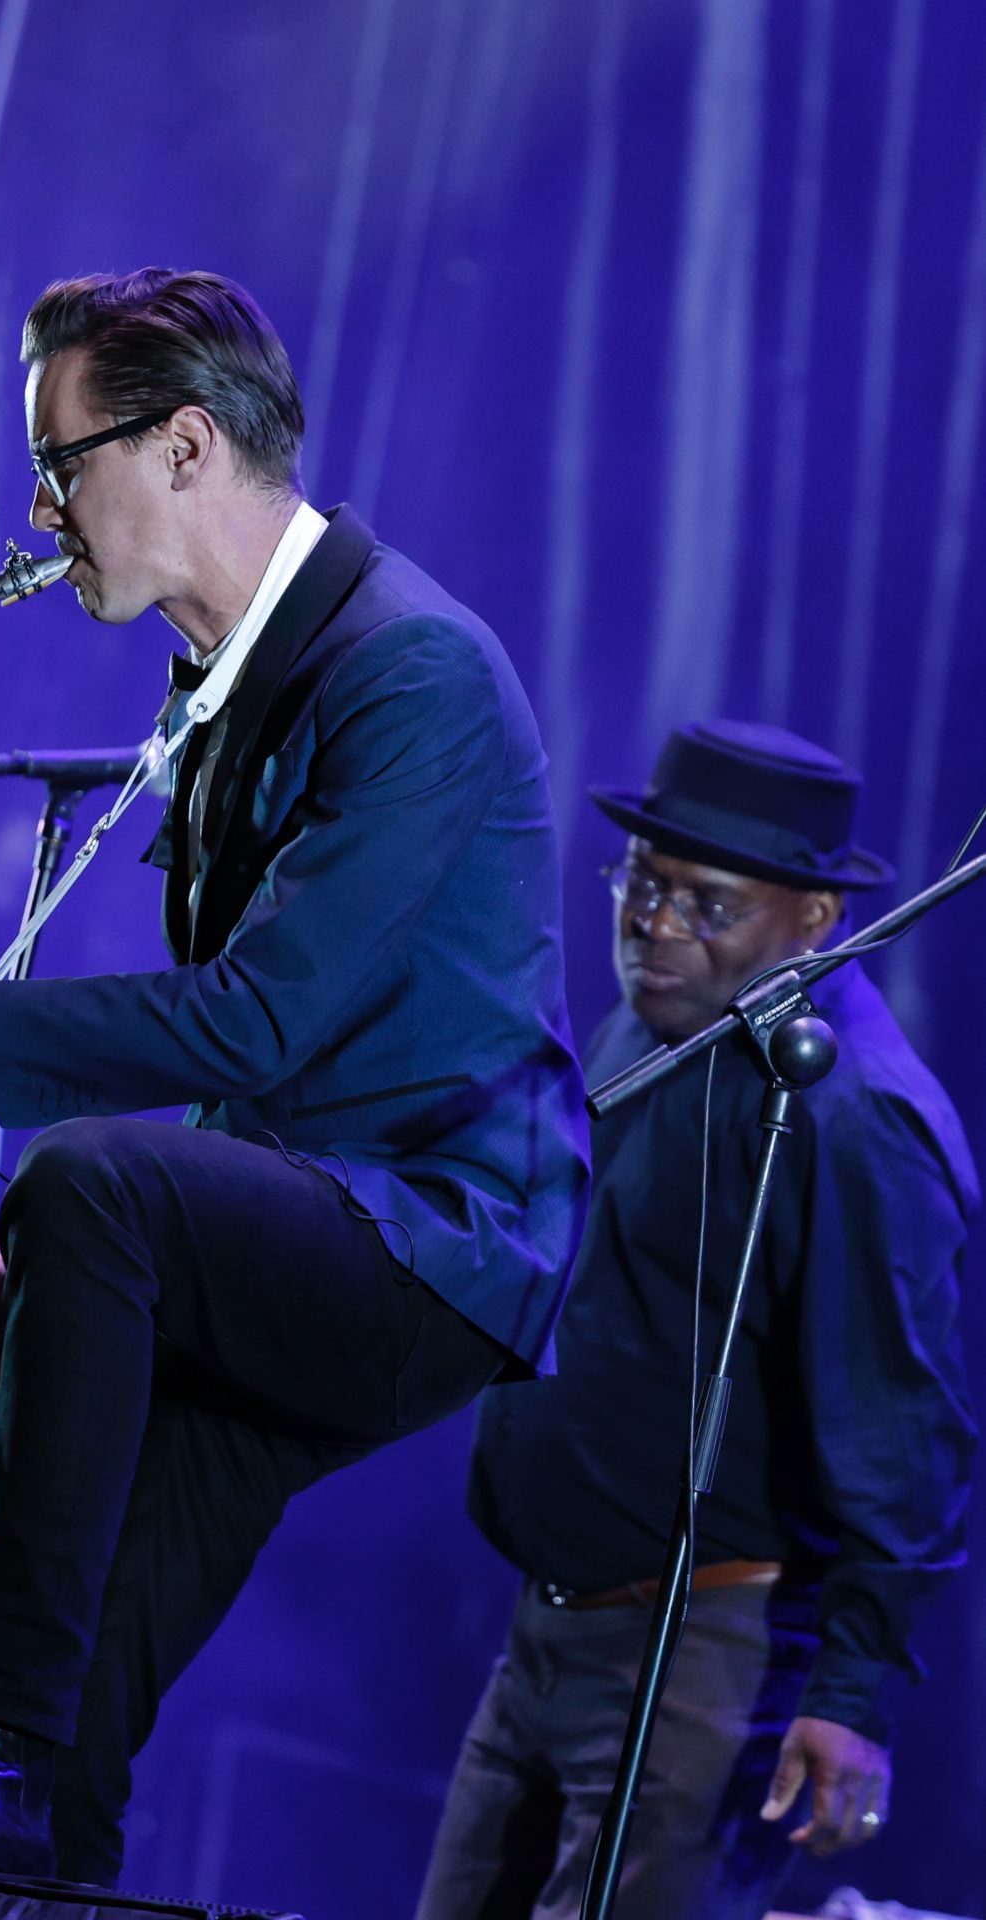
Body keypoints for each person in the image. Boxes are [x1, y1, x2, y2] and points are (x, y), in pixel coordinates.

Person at [0, 268, 590, 1885]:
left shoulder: (409, 669)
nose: (41, 510)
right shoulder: (230, 684)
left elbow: (256, 1026)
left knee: (89, 1182)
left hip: (437, 1239)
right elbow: (257, 1079)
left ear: (187, 447)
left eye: (61, 464)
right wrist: (104, 1290)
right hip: (319, 1215)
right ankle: (18, 1787)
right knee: (83, 1733)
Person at [414, 720, 977, 1920]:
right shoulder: (656, 1025)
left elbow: (903, 1428)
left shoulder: (853, 1117)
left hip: (703, 1653)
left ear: (816, 920)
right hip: (549, 1631)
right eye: (645, 887)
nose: (657, 928)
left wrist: (853, 1695)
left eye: (708, 905)